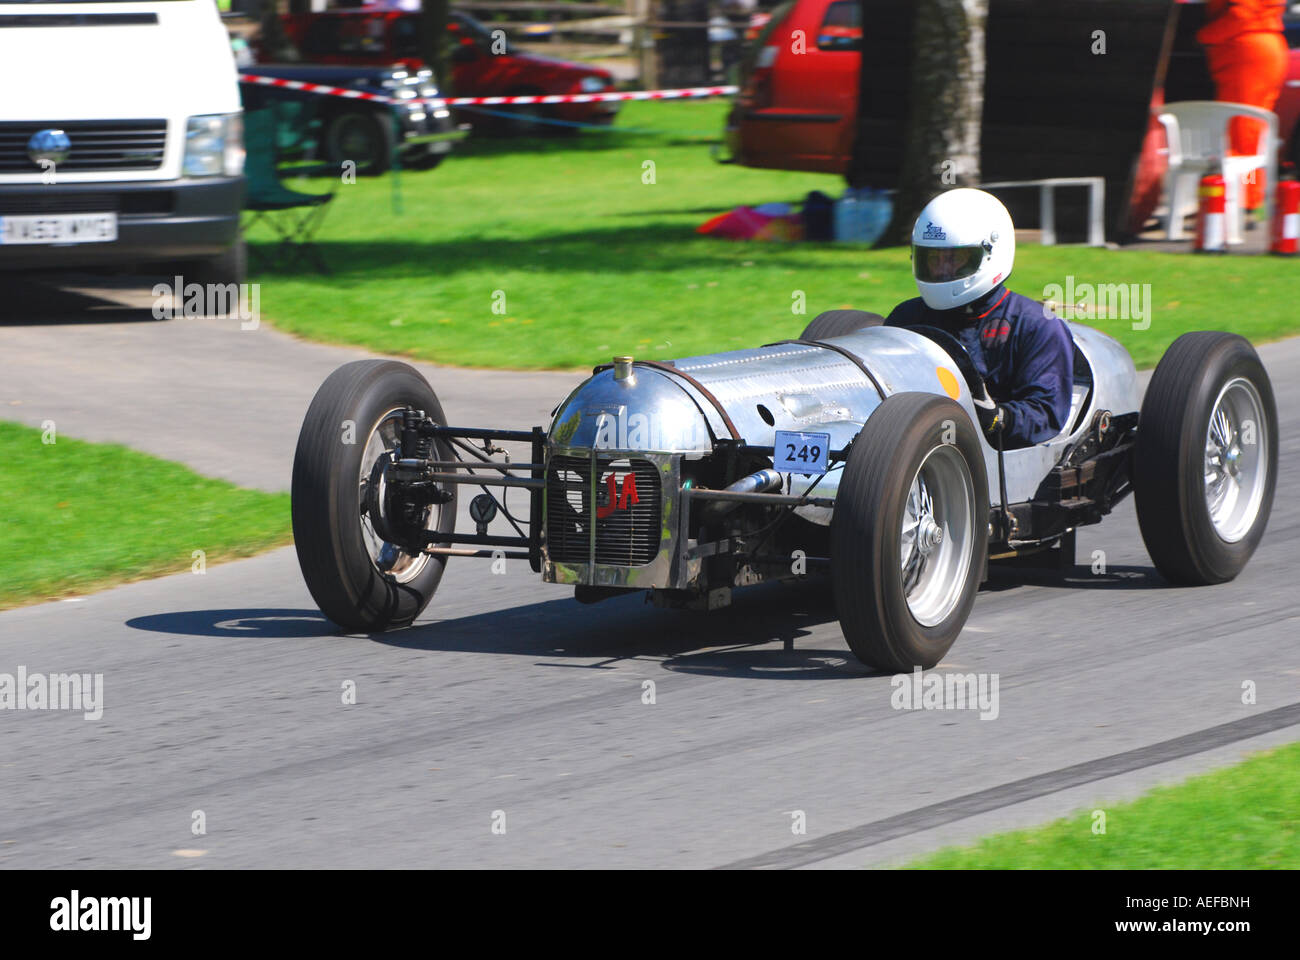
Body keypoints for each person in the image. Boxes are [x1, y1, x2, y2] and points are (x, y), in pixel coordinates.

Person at [885, 188, 1074, 450]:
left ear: (991, 253)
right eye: (933, 259)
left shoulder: (1036, 325)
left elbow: (1046, 415)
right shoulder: (905, 317)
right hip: (915, 449)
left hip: (997, 457)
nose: (941, 270)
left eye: (955, 260)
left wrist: (997, 418)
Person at [1198, 0, 1288, 214]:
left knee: (1241, 135)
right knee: (1252, 136)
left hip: (1246, 52)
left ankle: (1243, 200)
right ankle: (1249, 196)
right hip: (1267, 46)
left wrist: (1203, 36)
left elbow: (1242, 15)